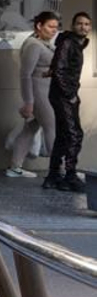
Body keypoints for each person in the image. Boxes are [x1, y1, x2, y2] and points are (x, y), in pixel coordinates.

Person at [7, 11, 58, 179]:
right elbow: (26, 74)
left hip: (45, 92)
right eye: (50, 26)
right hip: (39, 94)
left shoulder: (43, 44)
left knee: (30, 129)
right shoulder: (33, 45)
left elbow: (41, 71)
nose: (54, 30)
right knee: (52, 128)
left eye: (56, 27)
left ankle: (15, 167)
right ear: (39, 26)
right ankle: (59, 171)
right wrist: (29, 101)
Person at [46, 11, 91, 192]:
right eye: (79, 23)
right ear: (73, 26)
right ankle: (69, 176)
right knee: (75, 134)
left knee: (64, 134)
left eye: (87, 24)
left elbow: (57, 68)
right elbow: (59, 70)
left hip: (64, 94)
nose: (83, 27)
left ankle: (53, 176)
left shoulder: (75, 44)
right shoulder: (68, 42)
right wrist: (70, 94)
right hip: (64, 95)